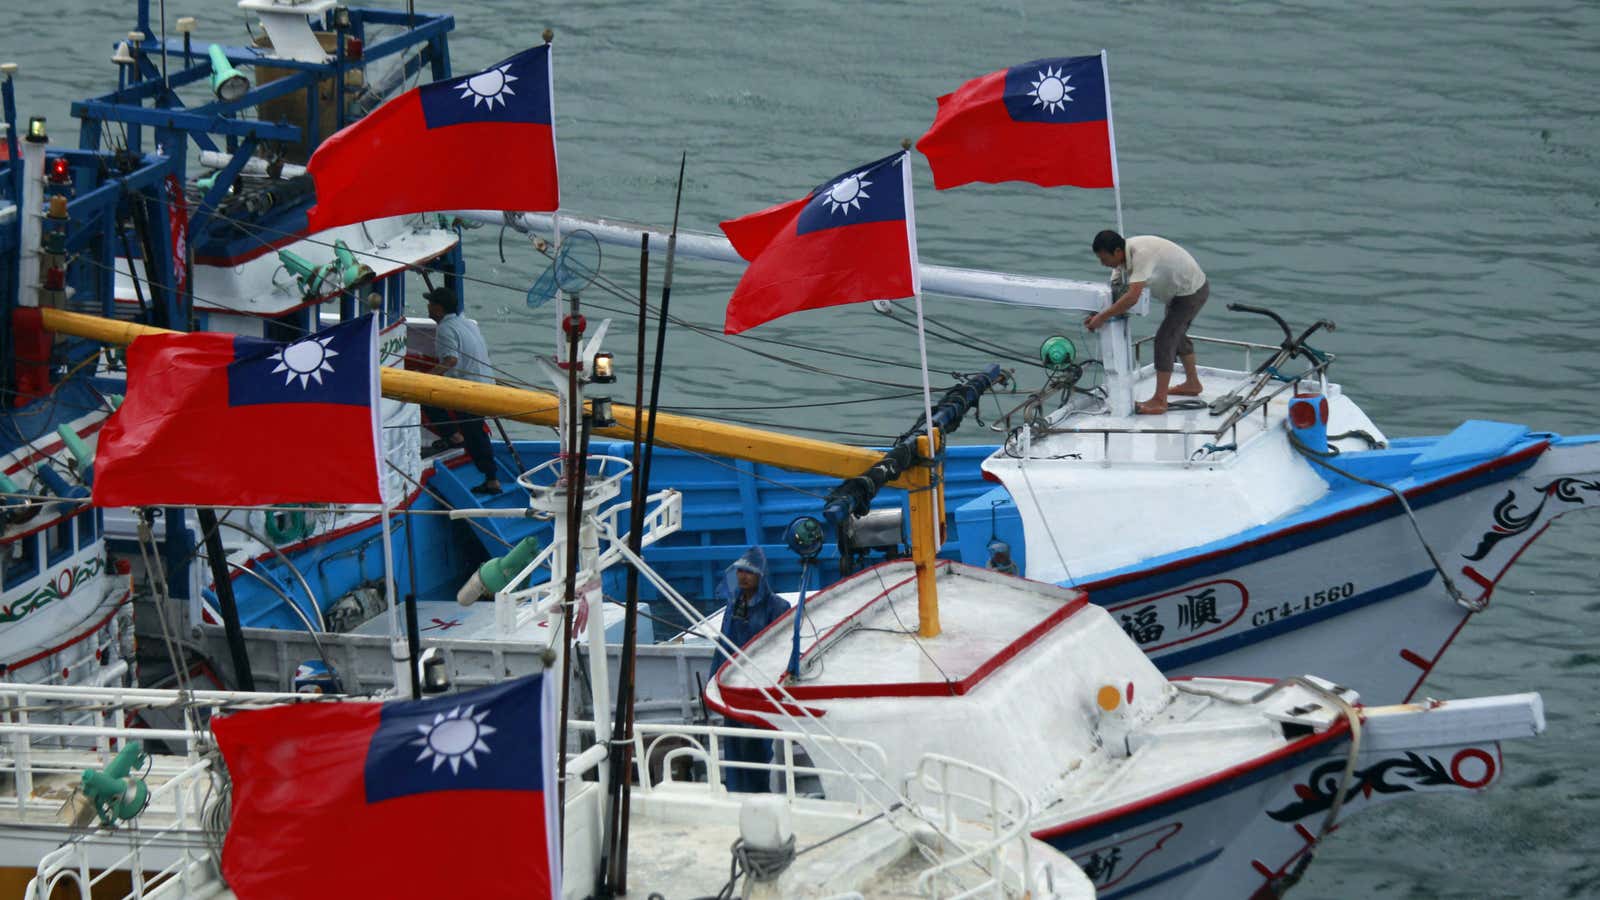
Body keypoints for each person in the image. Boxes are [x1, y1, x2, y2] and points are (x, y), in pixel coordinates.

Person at [1084, 231, 1210, 415]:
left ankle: (1159, 401)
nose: (1102, 263)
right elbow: (1116, 294)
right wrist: (1097, 314)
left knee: (1165, 340)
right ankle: (1193, 383)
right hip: (1177, 292)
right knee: (1177, 334)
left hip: (1191, 292)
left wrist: (1101, 318)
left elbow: (1132, 298)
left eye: (1104, 258)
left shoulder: (1141, 255)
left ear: (1117, 251)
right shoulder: (1122, 262)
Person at [707, 546, 790, 793]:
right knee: (733, 742)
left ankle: (758, 792)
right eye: (740, 571)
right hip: (732, 685)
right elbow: (723, 644)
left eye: (750, 572)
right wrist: (713, 680)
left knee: (757, 743)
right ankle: (737, 791)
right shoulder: (734, 605)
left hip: (758, 688)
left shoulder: (777, 606)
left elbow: (780, 649)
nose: (743, 577)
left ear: (762, 577)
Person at [421, 287, 502, 495]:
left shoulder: (445, 329)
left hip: (469, 389)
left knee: (474, 433)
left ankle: (491, 479)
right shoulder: (466, 323)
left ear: (438, 309)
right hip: (485, 383)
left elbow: (451, 359)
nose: (428, 306)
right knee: (432, 402)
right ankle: (455, 437)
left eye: (430, 304)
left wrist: (425, 377)